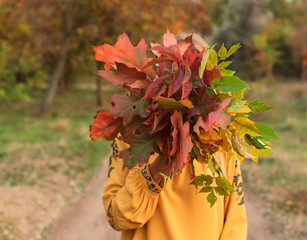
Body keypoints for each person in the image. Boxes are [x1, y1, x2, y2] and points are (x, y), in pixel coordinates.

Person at [102, 34, 247, 240]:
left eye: (195, 77)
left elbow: (235, 224)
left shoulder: (221, 143)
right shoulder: (130, 139)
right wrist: (157, 169)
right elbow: (117, 217)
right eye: (176, 74)